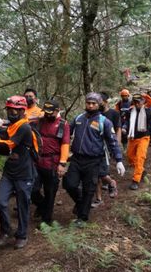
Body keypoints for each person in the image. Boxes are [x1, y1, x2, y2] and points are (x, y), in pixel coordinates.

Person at [64, 93, 125, 227]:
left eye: (94, 103)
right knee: (69, 184)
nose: (90, 106)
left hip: (93, 160)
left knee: (89, 189)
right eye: (88, 103)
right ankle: (81, 204)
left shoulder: (105, 122)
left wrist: (119, 160)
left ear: (99, 105)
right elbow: (66, 134)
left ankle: (82, 217)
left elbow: (113, 142)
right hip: (76, 158)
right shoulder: (78, 118)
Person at [0, 96, 35, 249]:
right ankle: (6, 230)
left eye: (14, 110)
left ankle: (21, 235)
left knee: (22, 205)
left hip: (24, 172)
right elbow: (4, 136)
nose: (11, 113)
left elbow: (8, 145)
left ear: (22, 111)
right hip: (10, 171)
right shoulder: (11, 126)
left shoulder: (24, 127)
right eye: (9, 110)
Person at [31, 100, 70, 225]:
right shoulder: (40, 121)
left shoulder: (63, 124)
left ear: (57, 111)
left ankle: (46, 220)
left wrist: (62, 163)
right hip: (37, 162)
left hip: (53, 163)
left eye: (50, 112)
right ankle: (42, 207)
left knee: (50, 192)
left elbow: (65, 144)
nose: (47, 115)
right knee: (32, 189)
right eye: (45, 112)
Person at [123, 93, 151, 190]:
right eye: (135, 102)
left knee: (140, 157)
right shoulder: (130, 111)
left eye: (139, 102)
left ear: (143, 102)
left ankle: (135, 180)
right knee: (130, 157)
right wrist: (124, 127)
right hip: (132, 138)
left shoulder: (149, 112)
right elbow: (127, 122)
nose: (137, 104)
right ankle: (141, 170)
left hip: (144, 138)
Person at [92, 92, 120, 208]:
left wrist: (116, 145)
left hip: (106, 148)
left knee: (101, 173)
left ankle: (111, 182)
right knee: (96, 175)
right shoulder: (95, 115)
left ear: (105, 102)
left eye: (100, 102)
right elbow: (93, 129)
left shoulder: (113, 113)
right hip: (94, 147)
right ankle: (99, 199)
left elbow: (117, 129)